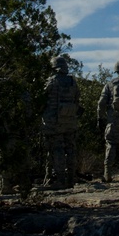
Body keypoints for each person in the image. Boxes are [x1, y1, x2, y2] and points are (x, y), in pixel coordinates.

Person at [40, 55, 81, 189]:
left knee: (57, 149)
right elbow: (77, 99)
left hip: (54, 122)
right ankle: (71, 180)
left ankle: (60, 180)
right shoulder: (72, 82)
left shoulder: (51, 81)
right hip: (70, 121)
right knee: (70, 149)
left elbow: (42, 98)